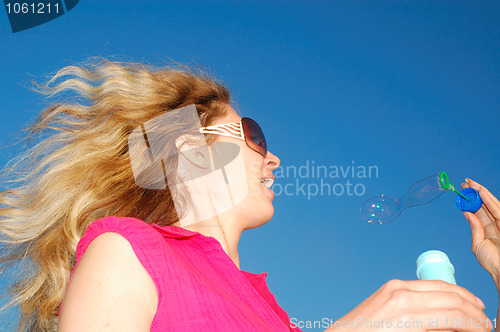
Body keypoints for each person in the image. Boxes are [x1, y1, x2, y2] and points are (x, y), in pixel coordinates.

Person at [0, 58, 497, 332]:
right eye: (255, 136)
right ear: (192, 151)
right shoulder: (126, 250)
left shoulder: (274, 314)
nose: (273, 158)